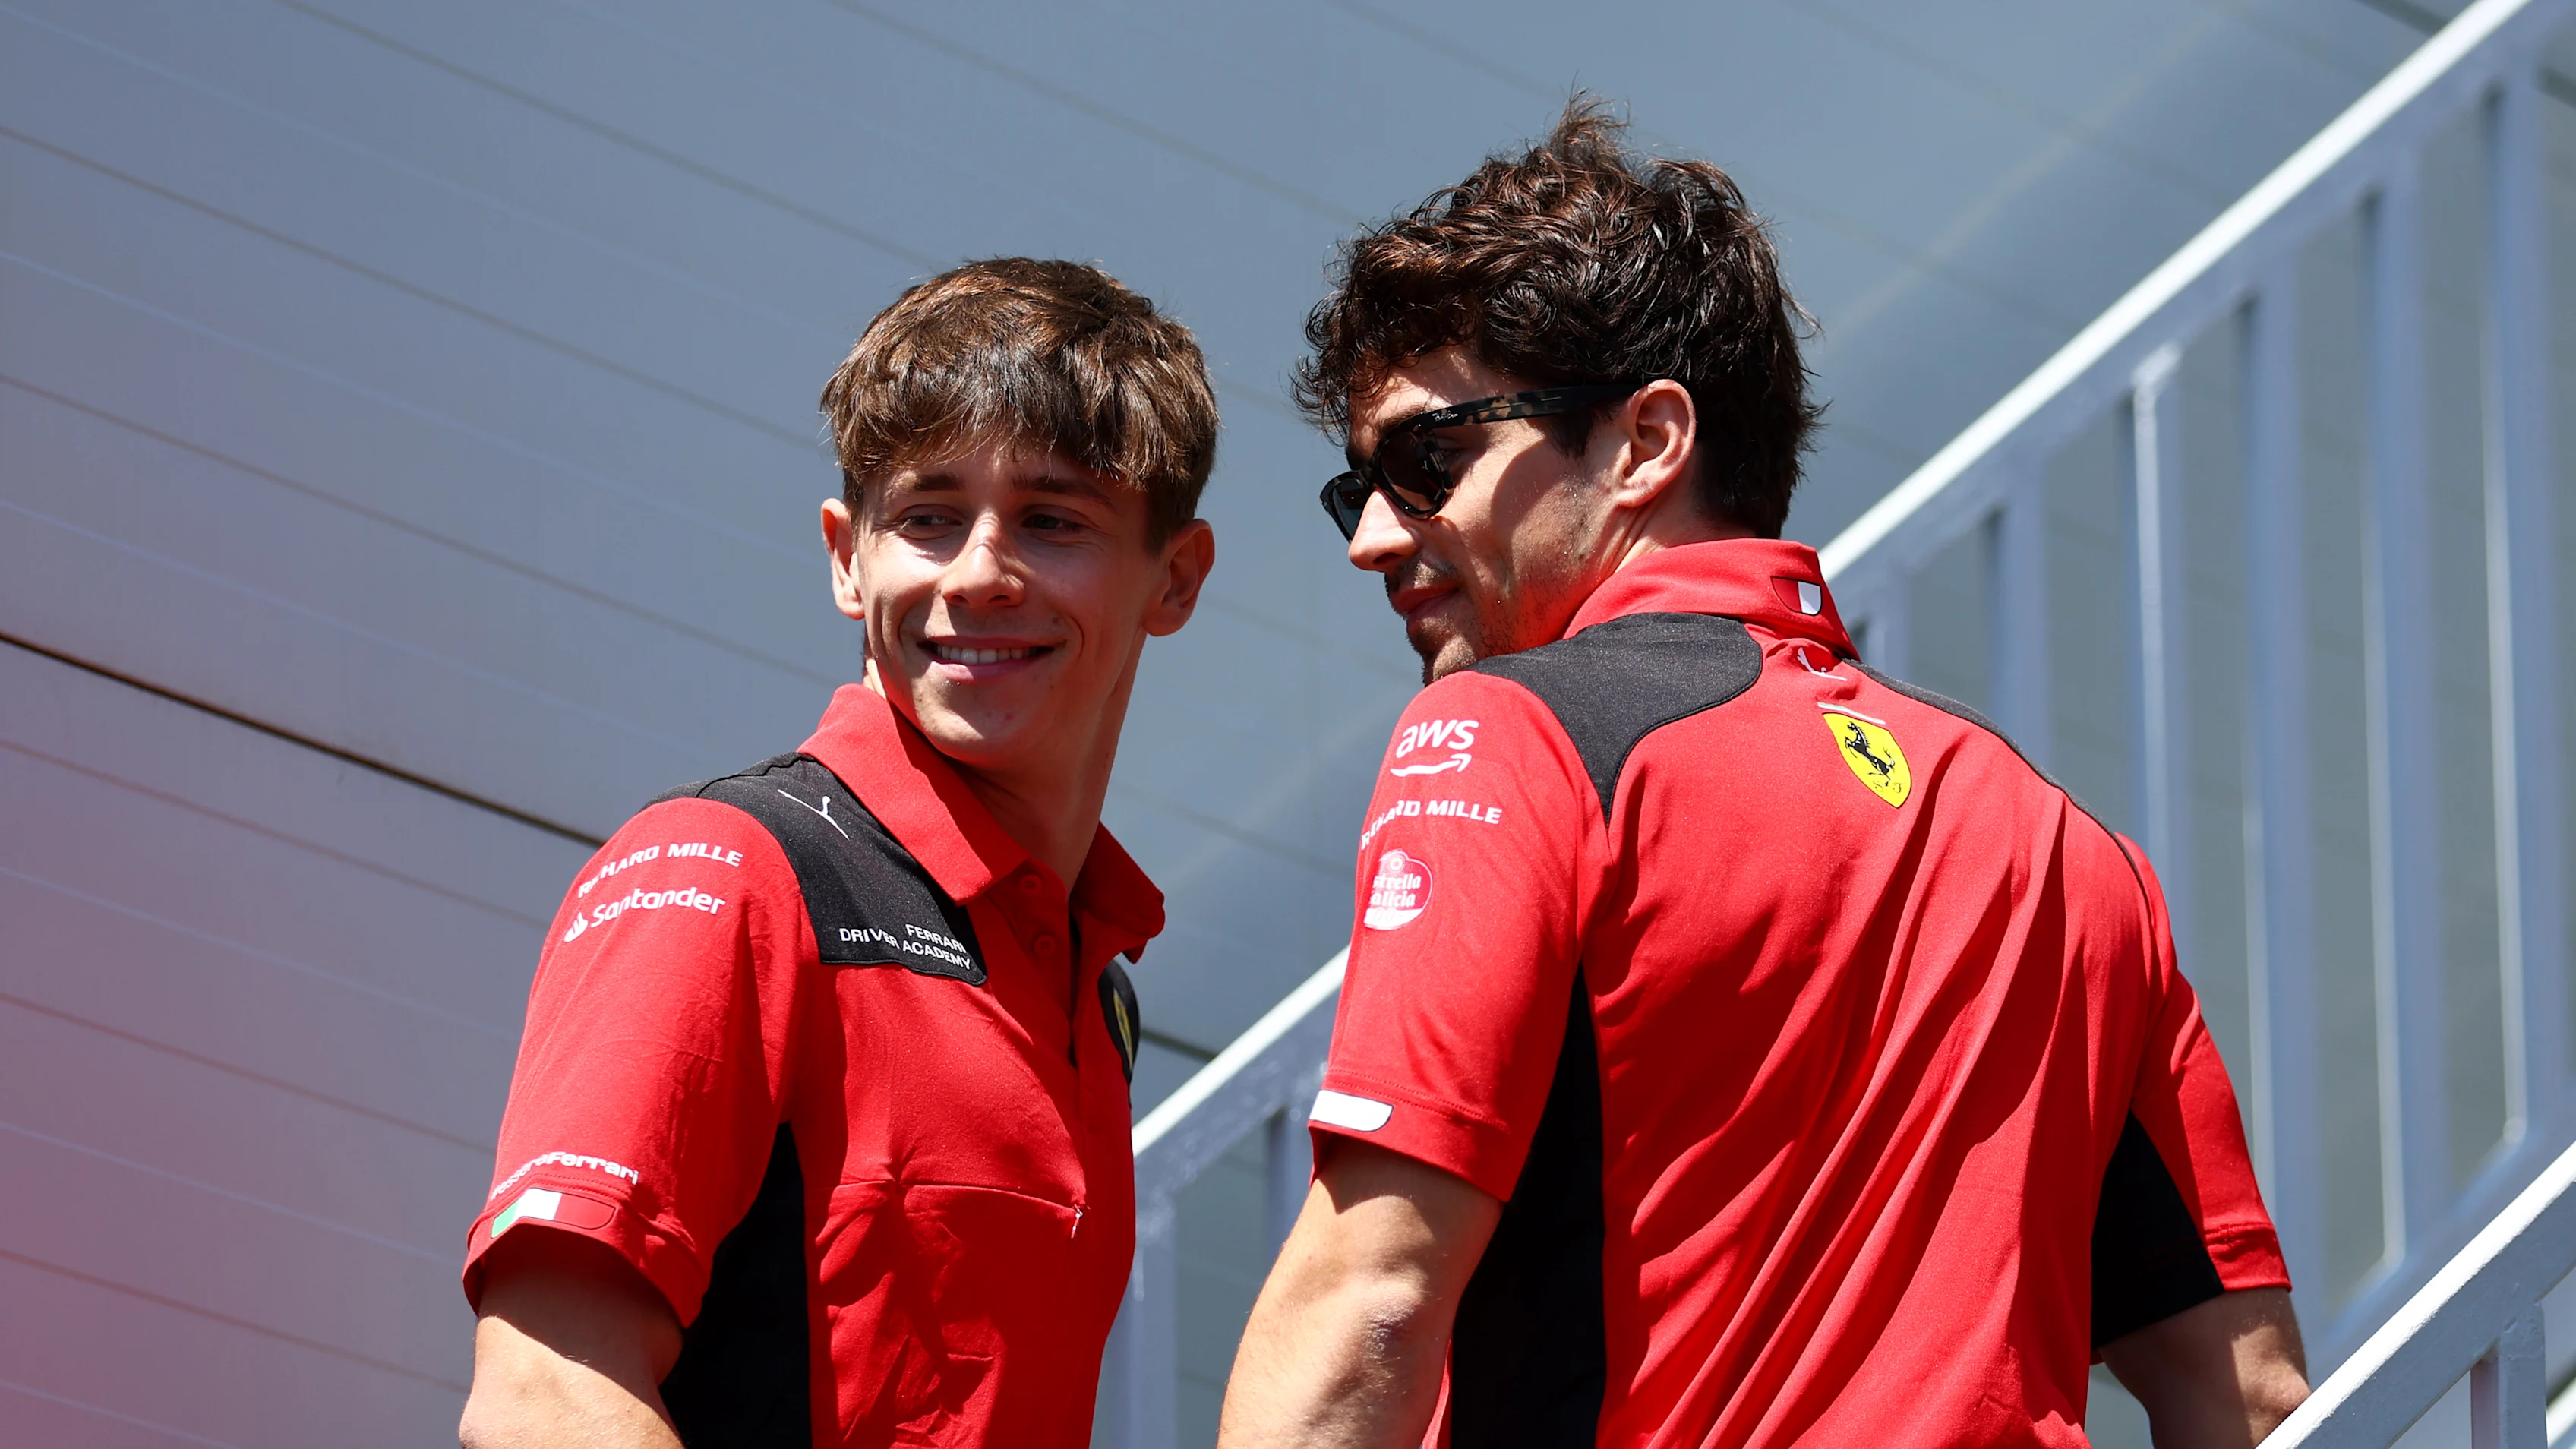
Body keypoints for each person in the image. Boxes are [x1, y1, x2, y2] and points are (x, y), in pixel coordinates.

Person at [1217, 104, 2311, 1449]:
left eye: (1426, 460)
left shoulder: (1512, 733)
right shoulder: (2075, 850)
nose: (1375, 537)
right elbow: (2248, 1399)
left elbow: (1371, 1303)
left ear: (1647, 441)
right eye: (1357, 488)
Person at [456, 258, 1218, 1448]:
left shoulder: (1093, 988)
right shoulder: (726, 873)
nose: (979, 572)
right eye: (928, 515)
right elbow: (545, 1396)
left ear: (1175, 577)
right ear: (845, 556)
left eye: (1053, 519)